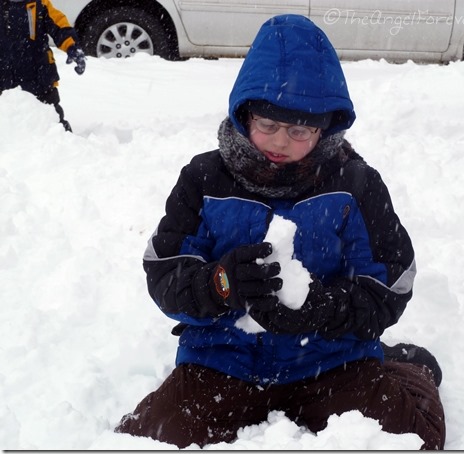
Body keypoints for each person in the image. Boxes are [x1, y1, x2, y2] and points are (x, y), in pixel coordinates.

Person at [115, 14, 446, 450]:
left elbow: (391, 283)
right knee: (149, 440)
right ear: (243, 113)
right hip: (223, 363)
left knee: (415, 437)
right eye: (267, 125)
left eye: (299, 130)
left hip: (330, 362)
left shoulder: (355, 184)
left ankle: (403, 368)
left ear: (326, 128)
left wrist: (319, 309)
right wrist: (221, 284)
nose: (280, 142)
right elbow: (164, 272)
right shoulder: (204, 179)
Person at [0, 0, 86, 132]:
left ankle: (63, 144)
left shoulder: (40, 4)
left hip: (39, 77)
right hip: (4, 79)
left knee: (52, 119)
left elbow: (59, 25)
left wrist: (71, 46)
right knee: (6, 122)